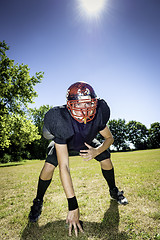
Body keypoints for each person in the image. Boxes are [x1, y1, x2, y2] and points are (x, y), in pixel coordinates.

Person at [29, 81, 128, 237]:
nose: (85, 109)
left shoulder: (98, 114)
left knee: (106, 159)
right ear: (69, 105)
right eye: (80, 104)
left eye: (89, 103)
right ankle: (38, 201)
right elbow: (64, 167)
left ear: (95, 102)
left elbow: (109, 138)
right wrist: (73, 205)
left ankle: (113, 190)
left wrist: (97, 151)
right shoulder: (61, 120)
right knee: (49, 166)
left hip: (86, 142)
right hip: (64, 143)